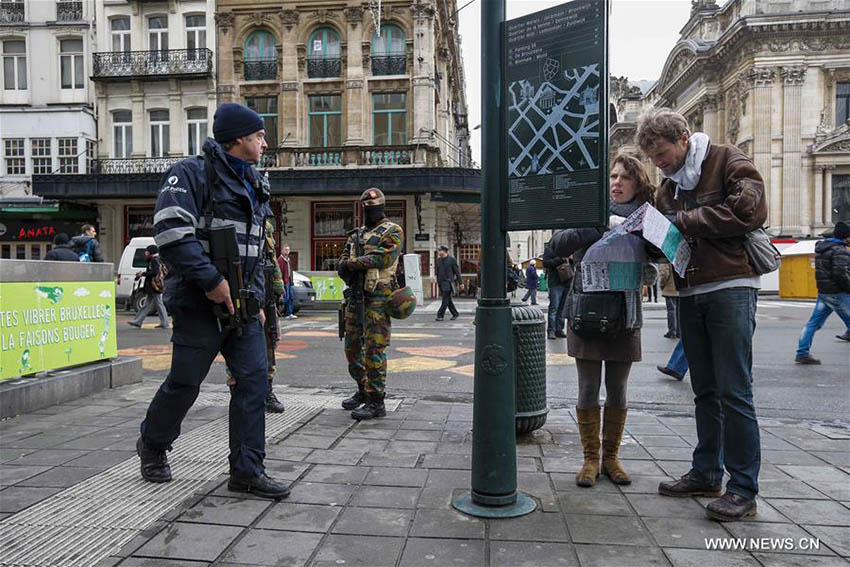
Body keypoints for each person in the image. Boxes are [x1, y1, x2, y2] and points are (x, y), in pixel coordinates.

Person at [136, 102, 290, 500]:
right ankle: (153, 445)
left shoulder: (256, 181)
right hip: (200, 303)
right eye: (259, 136)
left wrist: (254, 298)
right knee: (185, 383)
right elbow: (171, 233)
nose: (264, 142)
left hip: (242, 306)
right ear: (239, 138)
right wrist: (212, 282)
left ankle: (247, 471)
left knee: (254, 384)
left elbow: (258, 249)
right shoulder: (190, 173)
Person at [639, 107, 766, 522]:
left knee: (734, 390)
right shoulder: (667, 190)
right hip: (691, 290)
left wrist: (684, 221)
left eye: (663, 154)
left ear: (684, 137)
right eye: (654, 159)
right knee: (705, 391)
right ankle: (707, 472)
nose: (660, 164)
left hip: (732, 285)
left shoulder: (728, 160)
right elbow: (669, 236)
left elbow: (749, 211)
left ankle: (742, 487)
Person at [549, 153, 656, 489]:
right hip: (587, 308)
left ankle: (611, 457)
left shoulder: (647, 216)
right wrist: (596, 224)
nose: (616, 183)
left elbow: (661, 252)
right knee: (587, 387)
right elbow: (556, 245)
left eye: (625, 177)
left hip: (625, 309)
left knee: (619, 389)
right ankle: (590, 459)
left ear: (637, 183)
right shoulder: (588, 209)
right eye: (612, 177)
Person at [337, 187, 403, 420]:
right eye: (366, 208)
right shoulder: (356, 234)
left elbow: (383, 258)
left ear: (382, 208)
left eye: (373, 209)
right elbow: (343, 258)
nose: (369, 212)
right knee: (352, 348)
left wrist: (352, 264)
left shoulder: (393, 231)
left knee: (374, 350)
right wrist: (345, 265)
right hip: (355, 296)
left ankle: (377, 401)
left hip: (378, 298)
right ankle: (362, 390)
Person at [225, 218, 286, 413]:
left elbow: (271, 258)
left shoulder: (265, 226)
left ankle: (267, 391)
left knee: (270, 342)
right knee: (239, 341)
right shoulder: (233, 219)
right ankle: (237, 390)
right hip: (243, 291)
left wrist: (278, 287)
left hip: (265, 291)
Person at [795, 220, 850, 363]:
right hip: (837, 293)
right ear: (846, 236)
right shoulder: (840, 250)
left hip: (824, 292)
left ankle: (802, 353)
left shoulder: (822, 249)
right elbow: (841, 274)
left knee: (813, 324)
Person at [127, 244, 170, 329]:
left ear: (151, 252)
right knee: (148, 304)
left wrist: (142, 274)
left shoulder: (154, 260)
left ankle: (164, 323)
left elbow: (154, 272)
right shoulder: (158, 259)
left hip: (154, 286)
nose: (145, 253)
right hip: (155, 286)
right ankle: (138, 321)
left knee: (158, 304)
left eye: (147, 251)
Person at [542, 243, 571, 339]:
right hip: (555, 282)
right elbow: (546, 263)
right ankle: (551, 330)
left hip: (567, 281)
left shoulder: (568, 248)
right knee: (554, 307)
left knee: (562, 308)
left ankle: (559, 329)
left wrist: (570, 259)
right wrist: (560, 259)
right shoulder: (550, 249)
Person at [435, 244, 461, 321]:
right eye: (438, 250)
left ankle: (440, 315)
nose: (439, 252)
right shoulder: (438, 260)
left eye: (440, 250)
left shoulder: (452, 260)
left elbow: (457, 272)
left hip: (448, 282)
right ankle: (455, 313)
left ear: (445, 251)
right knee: (448, 300)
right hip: (441, 282)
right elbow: (438, 271)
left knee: (445, 299)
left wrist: (461, 282)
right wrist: (437, 281)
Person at [659, 263, 680, 338]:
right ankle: (679, 332)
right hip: (679, 289)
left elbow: (664, 274)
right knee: (678, 311)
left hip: (670, 289)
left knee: (671, 311)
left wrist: (662, 285)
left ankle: (672, 331)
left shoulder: (667, 259)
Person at [278, 244, 297, 320]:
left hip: (289, 281)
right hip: (284, 281)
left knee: (290, 297)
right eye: (285, 249)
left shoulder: (288, 260)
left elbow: (290, 271)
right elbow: (280, 272)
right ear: (282, 250)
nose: (287, 251)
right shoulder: (280, 260)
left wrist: (291, 280)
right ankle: (283, 312)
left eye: (288, 250)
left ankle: (289, 313)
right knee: (286, 297)